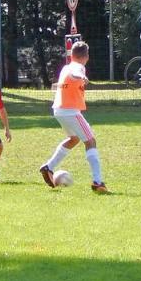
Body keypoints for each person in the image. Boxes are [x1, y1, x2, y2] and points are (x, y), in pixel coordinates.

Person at [40, 41, 109, 194]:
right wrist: (82, 76)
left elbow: (70, 74)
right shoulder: (78, 67)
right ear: (87, 56)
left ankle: (49, 167)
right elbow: (76, 73)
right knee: (90, 141)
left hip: (58, 110)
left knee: (74, 139)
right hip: (70, 111)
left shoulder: (66, 66)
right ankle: (97, 182)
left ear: (71, 55)